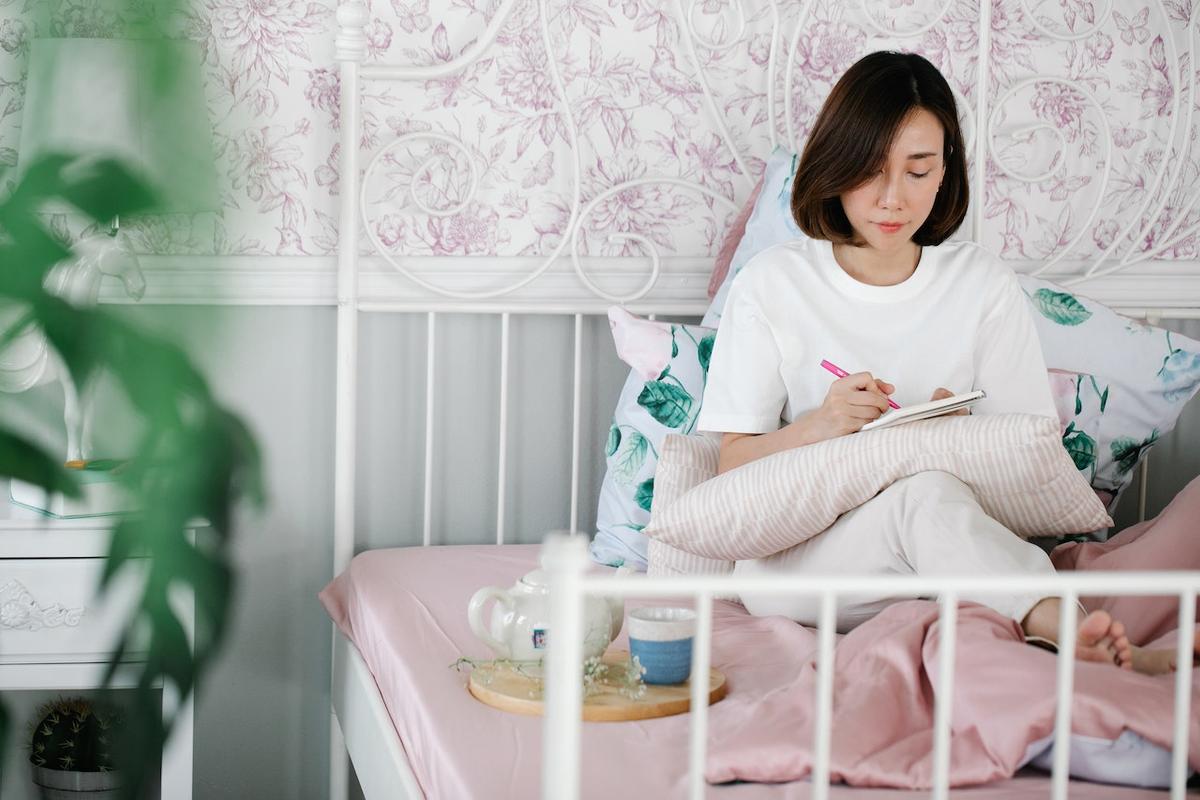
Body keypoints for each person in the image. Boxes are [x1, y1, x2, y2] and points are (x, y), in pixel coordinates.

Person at [696, 50, 1148, 670]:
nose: (892, 199)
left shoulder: (982, 284)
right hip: (802, 565)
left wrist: (955, 435)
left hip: (949, 547)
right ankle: (1070, 634)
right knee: (923, 495)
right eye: (872, 170)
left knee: (929, 491)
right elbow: (730, 463)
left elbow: (1026, 456)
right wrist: (821, 425)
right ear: (837, 163)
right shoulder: (773, 284)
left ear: (945, 172)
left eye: (917, 171)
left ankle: (1035, 632)